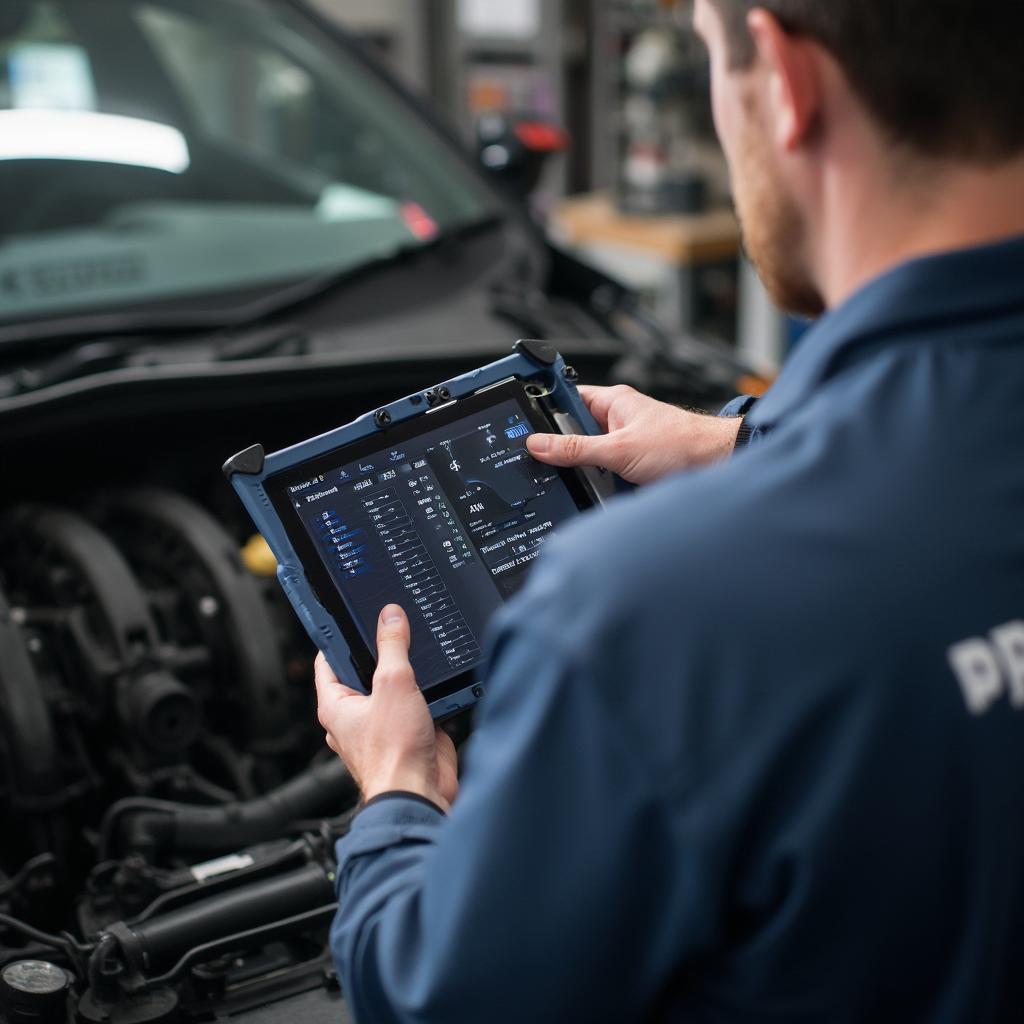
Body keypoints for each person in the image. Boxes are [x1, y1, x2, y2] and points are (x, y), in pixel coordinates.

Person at [314, 0, 1024, 1019]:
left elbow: (439, 996)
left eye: (707, 64)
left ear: (782, 80)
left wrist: (398, 792)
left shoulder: (641, 613)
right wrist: (734, 440)